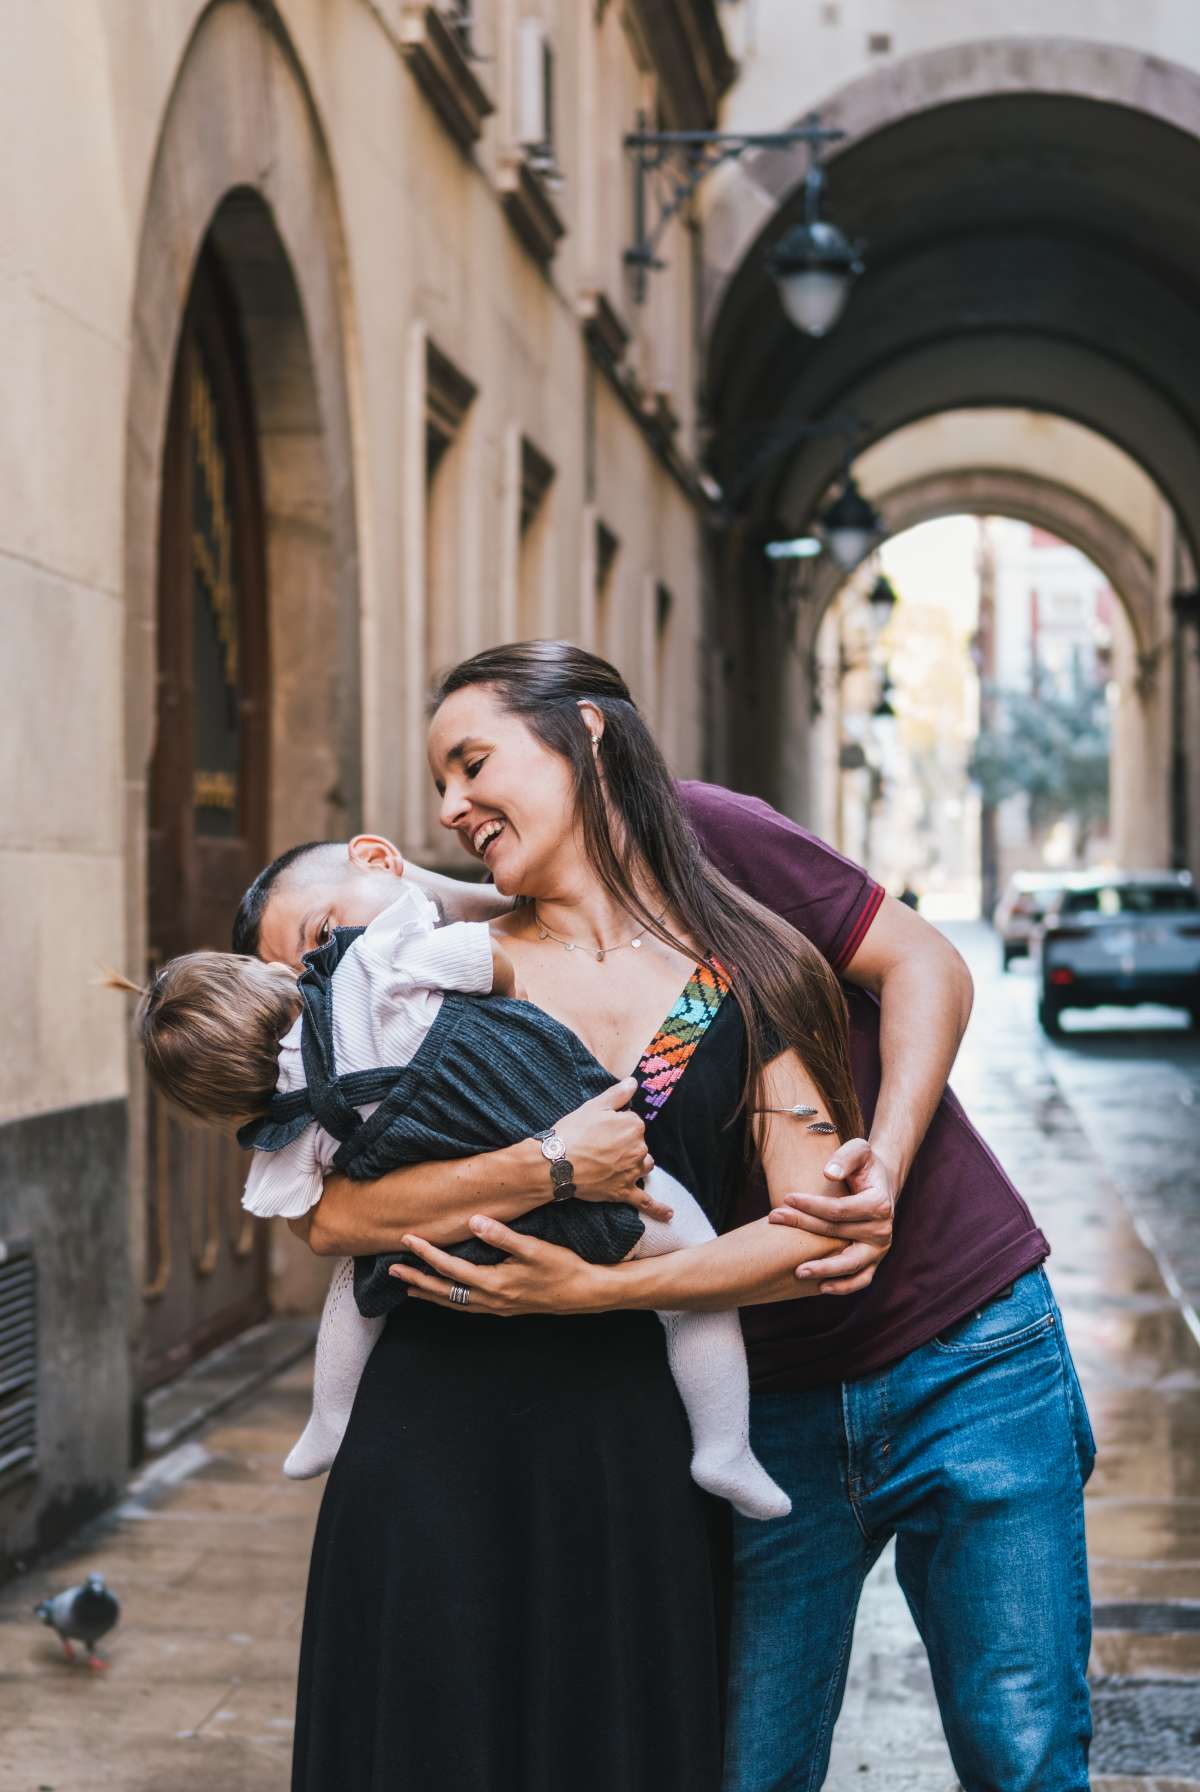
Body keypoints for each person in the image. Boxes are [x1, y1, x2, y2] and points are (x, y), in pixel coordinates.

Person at [247, 640, 1096, 1792]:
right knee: (741, 1764)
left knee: (1026, 1745)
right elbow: (338, 1202)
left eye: (473, 761)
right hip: (754, 1386)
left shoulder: (719, 906)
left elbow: (921, 969)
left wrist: (877, 1161)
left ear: (587, 732)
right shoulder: (466, 964)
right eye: (441, 785)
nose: (452, 804)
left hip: (956, 1335)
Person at [119, 882, 795, 1519]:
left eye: (314, 930)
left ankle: (328, 1421)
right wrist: (551, 1167)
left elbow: (822, 1236)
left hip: (620, 1418)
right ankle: (726, 1446)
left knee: (361, 1284)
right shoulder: (399, 960)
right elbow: (327, 1226)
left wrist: (584, 1288)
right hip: (461, 1415)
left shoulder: (715, 984)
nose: (454, 808)